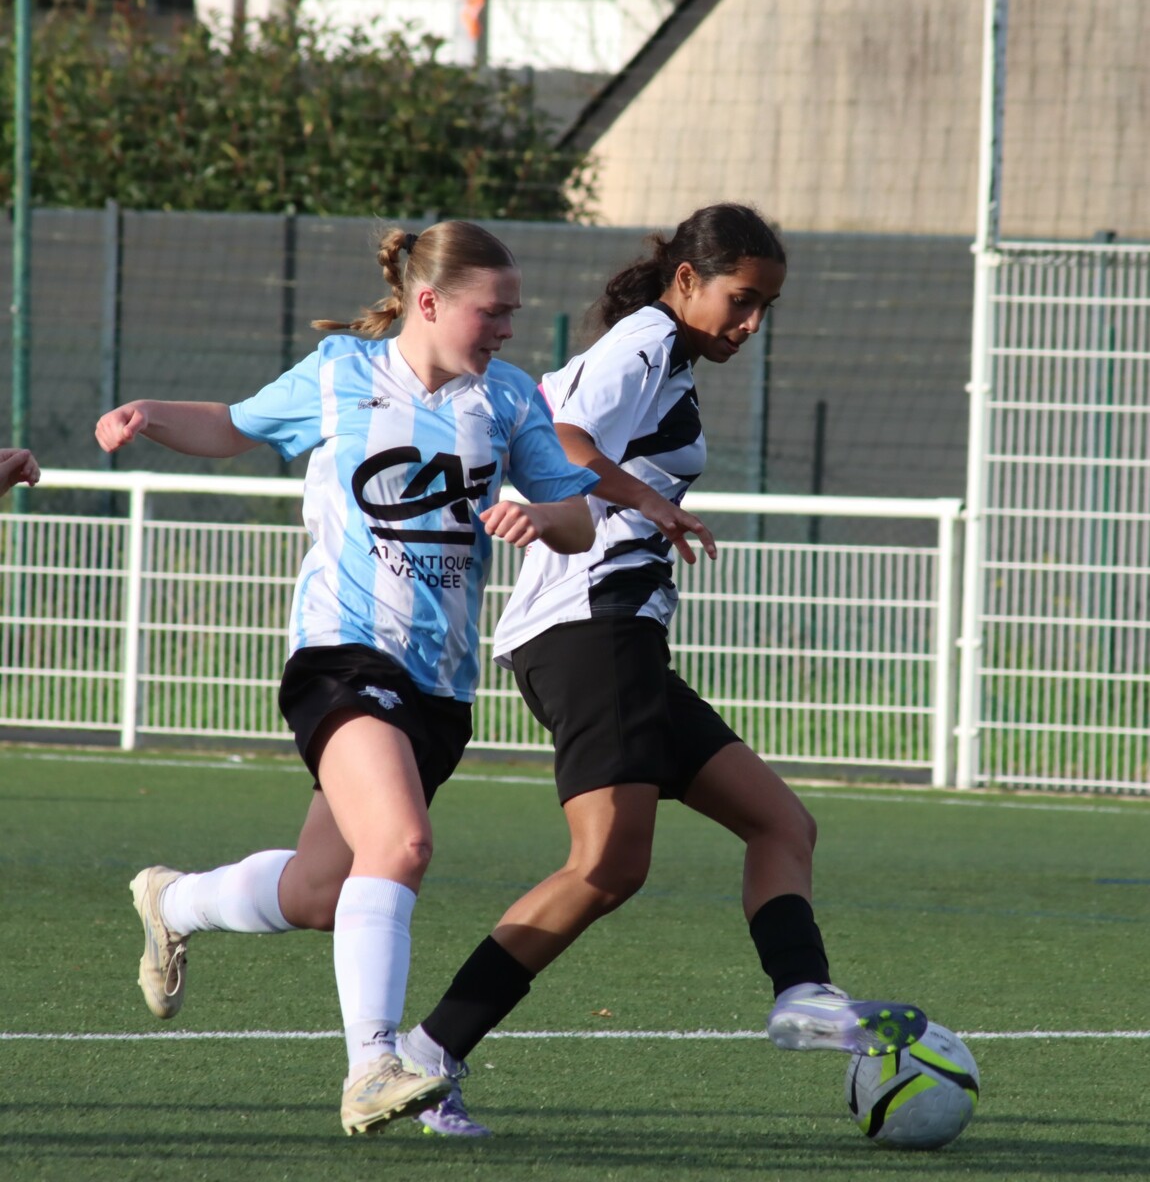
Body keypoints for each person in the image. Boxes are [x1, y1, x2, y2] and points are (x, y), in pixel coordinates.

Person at [394, 203, 928, 1137]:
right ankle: (427, 1053)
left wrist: (639, 500)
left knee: (781, 823)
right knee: (605, 865)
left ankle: (803, 995)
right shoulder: (645, 342)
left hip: (617, 636)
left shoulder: (663, 354)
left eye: (765, 307)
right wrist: (648, 500)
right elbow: (557, 433)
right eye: (741, 299)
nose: (751, 323)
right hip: (589, 630)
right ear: (687, 281)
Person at [94, 220, 598, 1137]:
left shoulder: (508, 398)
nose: (506, 329)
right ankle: (373, 1066)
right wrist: (150, 415)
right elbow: (235, 425)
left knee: (322, 893)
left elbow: (578, 519)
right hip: (341, 654)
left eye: (513, 314)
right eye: (493, 312)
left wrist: (539, 517)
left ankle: (175, 899)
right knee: (401, 845)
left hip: (439, 686)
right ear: (429, 302)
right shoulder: (340, 373)